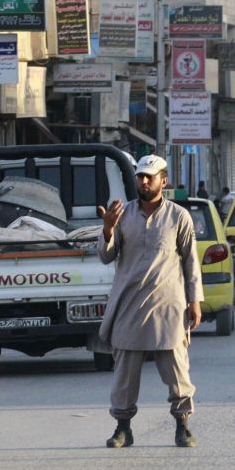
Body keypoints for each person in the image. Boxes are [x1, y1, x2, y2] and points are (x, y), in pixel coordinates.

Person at [96, 154, 203, 448]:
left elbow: (191, 262)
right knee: (125, 375)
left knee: (177, 371)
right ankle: (122, 427)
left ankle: (183, 426)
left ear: (163, 181)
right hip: (129, 305)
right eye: (140, 176)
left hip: (168, 306)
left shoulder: (179, 217)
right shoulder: (123, 216)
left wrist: (195, 301)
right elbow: (106, 256)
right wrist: (107, 229)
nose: (143, 181)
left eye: (150, 177)